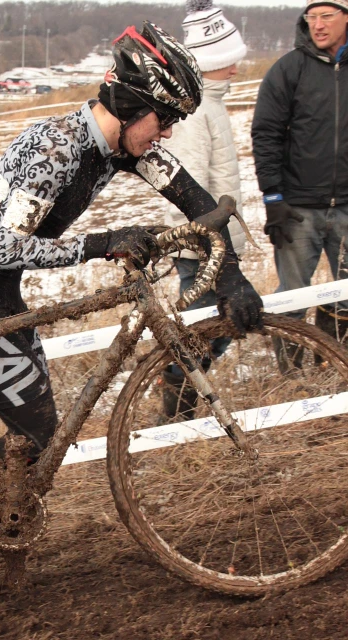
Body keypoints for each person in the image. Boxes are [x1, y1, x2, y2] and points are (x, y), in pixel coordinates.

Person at [0, 22, 263, 580]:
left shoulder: (119, 146)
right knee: (39, 436)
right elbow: (3, 248)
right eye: (163, 120)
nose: (165, 134)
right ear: (132, 104)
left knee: (32, 439)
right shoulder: (57, 149)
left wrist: (231, 275)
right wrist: (103, 243)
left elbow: (198, 201)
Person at [161, 0, 249, 420]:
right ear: (210, 61)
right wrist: (211, 246)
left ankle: (178, 410)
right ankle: (173, 418)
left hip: (214, 243)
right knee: (201, 334)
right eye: (227, 61)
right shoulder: (197, 113)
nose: (235, 68)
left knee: (213, 331)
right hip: (203, 246)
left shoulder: (212, 104)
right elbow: (189, 187)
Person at [251, 0, 348, 370]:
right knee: (292, 296)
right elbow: (266, 134)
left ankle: (332, 369)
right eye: (312, 17)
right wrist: (273, 197)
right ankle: (291, 378)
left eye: (327, 16)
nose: (318, 25)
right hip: (297, 209)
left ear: (346, 17)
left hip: (347, 207)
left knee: (347, 297)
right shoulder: (288, 70)